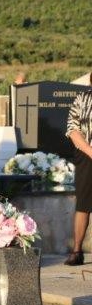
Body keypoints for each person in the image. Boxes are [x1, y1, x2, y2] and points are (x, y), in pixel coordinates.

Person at [65, 89, 92, 266]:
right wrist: (90, 151)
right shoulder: (83, 97)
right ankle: (77, 252)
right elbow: (72, 129)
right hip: (86, 155)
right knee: (83, 204)